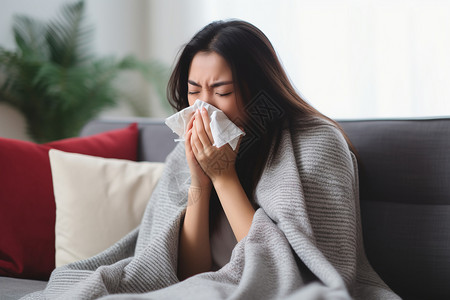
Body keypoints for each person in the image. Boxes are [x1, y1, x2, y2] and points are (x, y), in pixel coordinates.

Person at [22, 19, 400, 300]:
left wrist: (224, 177)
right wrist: (200, 183)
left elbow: (296, 276)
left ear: (259, 91)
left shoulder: (316, 144)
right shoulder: (182, 153)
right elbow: (185, 273)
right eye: (193, 91)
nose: (203, 107)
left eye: (221, 91)